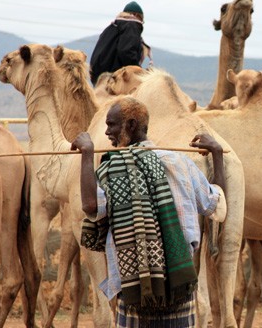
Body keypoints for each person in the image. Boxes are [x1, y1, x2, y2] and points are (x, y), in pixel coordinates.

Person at [71, 97, 226, 327]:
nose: (107, 132)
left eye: (111, 125)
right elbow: (218, 204)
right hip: (180, 287)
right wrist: (218, 155)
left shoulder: (112, 169)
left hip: (134, 292)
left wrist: (87, 155)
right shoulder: (182, 164)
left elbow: (90, 206)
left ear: (131, 125)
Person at [89, 1, 148, 86]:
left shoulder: (112, 27)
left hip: (99, 77)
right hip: (114, 77)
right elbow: (126, 51)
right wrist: (138, 72)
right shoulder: (131, 25)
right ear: (136, 15)